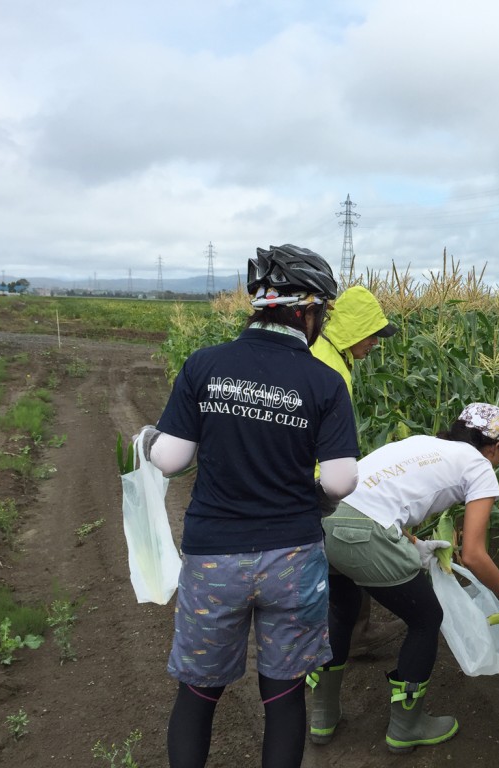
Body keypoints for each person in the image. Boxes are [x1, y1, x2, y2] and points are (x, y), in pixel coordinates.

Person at [135, 245, 360, 768]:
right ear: (307, 312)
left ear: (260, 306)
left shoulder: (204, 365)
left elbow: (170, 459)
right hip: (293, 557)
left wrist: (147, 440)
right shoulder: (324, 382)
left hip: (215, 557)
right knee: (283, 695)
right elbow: (342, 480)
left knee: (198, 692)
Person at [308, 403, 499, 753]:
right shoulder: (479, 466)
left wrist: (415, 543)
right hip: (361, 534)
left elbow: (378, 494)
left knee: (343, 608)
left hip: (318, 521)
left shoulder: (423, 444)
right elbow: (475, 554)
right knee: (426, 617)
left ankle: (323, 717)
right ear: (495, 446)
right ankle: (406, 726)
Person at [309, 284, 404, 656]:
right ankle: (347, 635)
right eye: (373, 335)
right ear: (354, 330)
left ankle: (352, 630)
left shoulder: (331, 355)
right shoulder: (327, 364)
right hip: (317, 480)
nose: (376, 344)